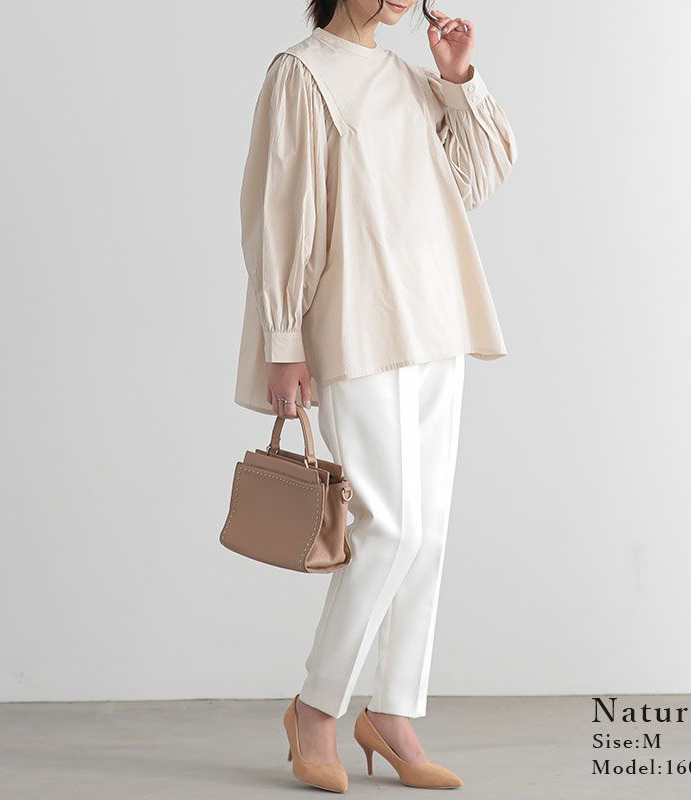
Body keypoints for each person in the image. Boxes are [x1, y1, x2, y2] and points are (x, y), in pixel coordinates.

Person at [234, 0, 518, 792]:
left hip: (436, 319)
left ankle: (392, 712)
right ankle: (316, 709)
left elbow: (478, 176)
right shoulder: (302, 75)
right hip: (355, 320)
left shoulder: (410, 77)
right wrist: (284, 341)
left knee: (425, 533)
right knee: (386, 528)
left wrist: (459, 78)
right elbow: (279, 214)